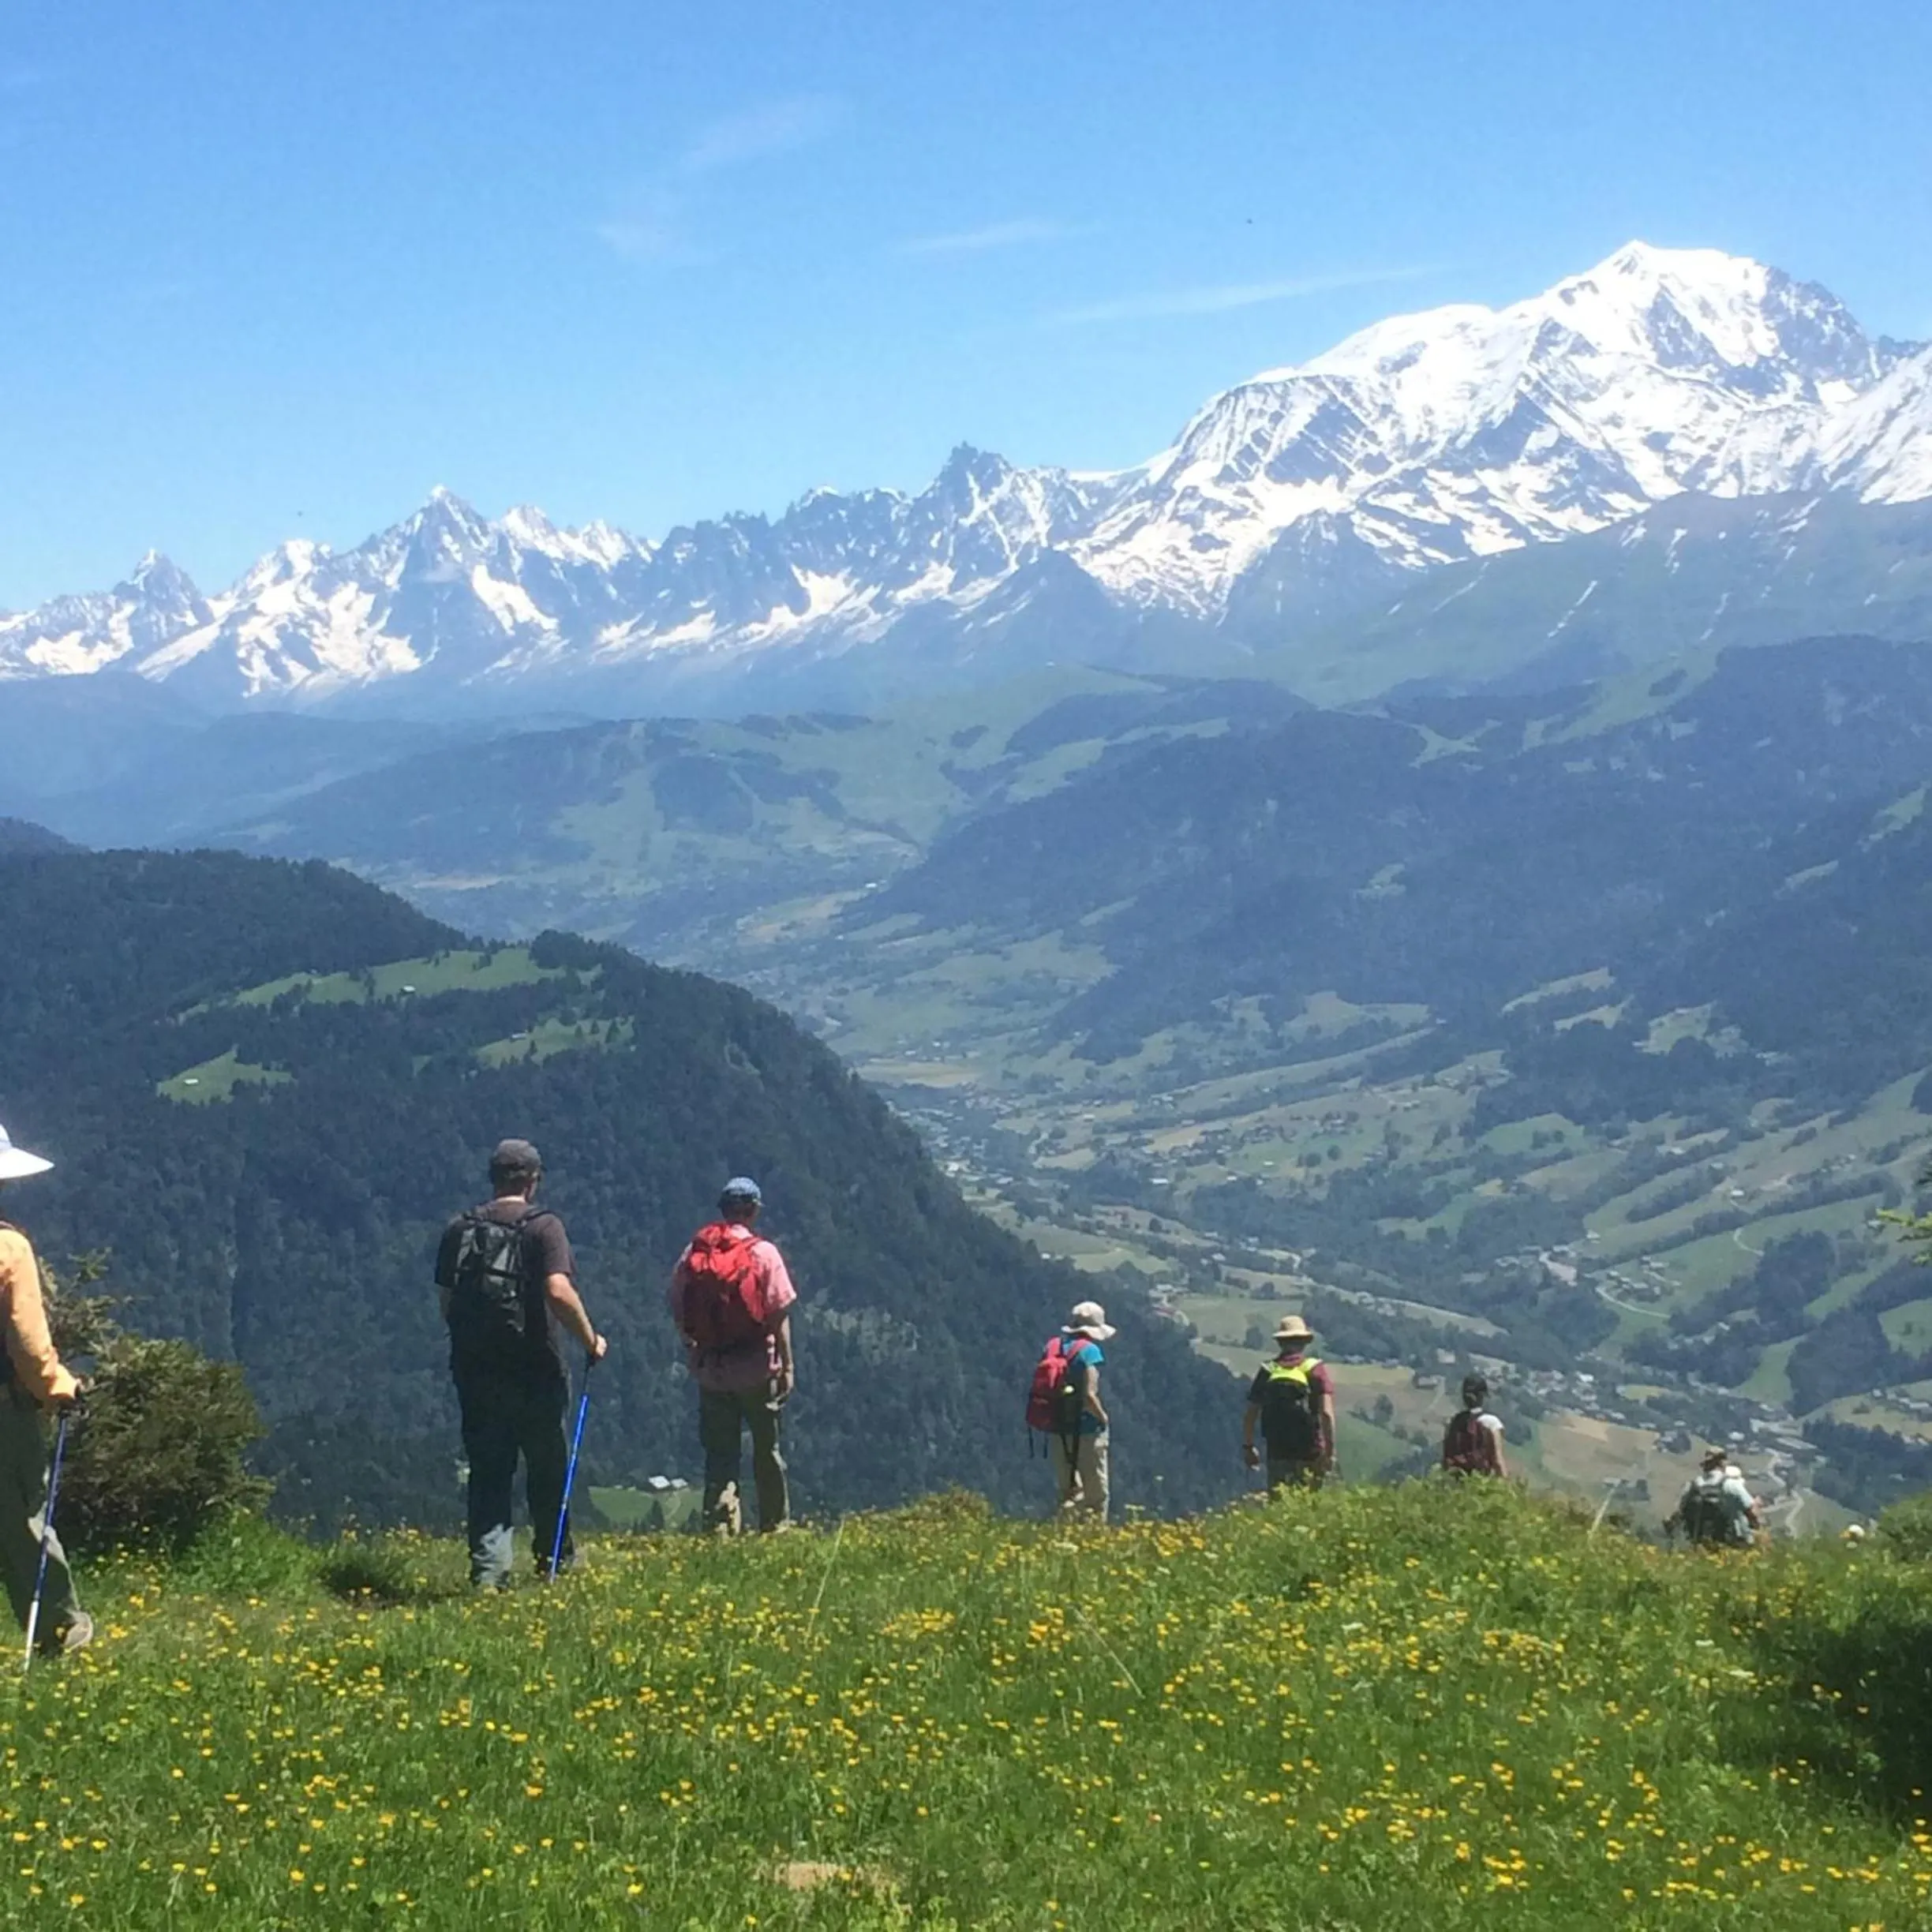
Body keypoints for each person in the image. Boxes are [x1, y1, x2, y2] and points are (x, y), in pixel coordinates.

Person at [435, 1138, 606, 1589]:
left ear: (494, 1178)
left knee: (489, 1471)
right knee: (547, 1468)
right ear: (533, 1180)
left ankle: (489, 1573)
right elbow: (557, 1291)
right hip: (536, 1369)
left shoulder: (460, 1229)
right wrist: (590, 1339)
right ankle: (554, 1559)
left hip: (477, 1372)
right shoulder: (543, 1227)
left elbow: (446, 1302)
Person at [0, 1122, 92, 1654]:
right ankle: (59, 1630)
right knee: (20, 1519)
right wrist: (59, 1387)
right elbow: (28, 1345)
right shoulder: (9, 1248)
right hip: (4, 1412)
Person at [668, 1178, 797, 1535]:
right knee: (766, 1450)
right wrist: (787, 1365)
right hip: (757, 1368)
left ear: (723, 1210)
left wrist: (692, 1345)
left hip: (712, 1370)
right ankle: (774, 1525)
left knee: (720, 1455)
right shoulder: (764, 1253)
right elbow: (778, 1315)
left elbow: (677, 1303)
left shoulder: (695, 1254)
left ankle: (721, 1527)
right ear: (753, 1210)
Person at [1242, 1314, 1336, 1491]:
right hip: (1311, 1451)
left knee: (1279, 1505)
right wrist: (1329, 1453)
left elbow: (1250, 1414)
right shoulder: (1315, 1370)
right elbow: (1326, 1414)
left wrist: (1248, 1447)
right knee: (1310, 1506)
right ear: (1304, 1342)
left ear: (1280, 1343)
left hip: (1277, 1450)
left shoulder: (1268, 1371)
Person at [1047, 1301, 1114, 1520]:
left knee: (1069, 1489)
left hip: (1057, 1425)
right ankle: (1095, 1536)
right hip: (1086, 1429)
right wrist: (1103, 1418)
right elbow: (1089, 1395)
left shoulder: (1053, 1347)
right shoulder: (1090, 1351)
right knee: (1096, 1493)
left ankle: (1065, 1529)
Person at [1666, 1447, 1761, 1550]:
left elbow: (1675, 1517)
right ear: (1722, 1464)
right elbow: (1753, 1515)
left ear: (1705, 1466)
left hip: (1699, 1547)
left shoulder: (1690, 1487)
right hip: (1729, 1547)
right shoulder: (1731, 1485)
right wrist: (1757, 1506)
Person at [1441, 1373, 1509, 1477]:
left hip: (1456, 1483)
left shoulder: (1455, 1422)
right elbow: (1497, 1460)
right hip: (1481, 1482)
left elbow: (1446, 1457)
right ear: (1482, 1395)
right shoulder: (1492, 1423)